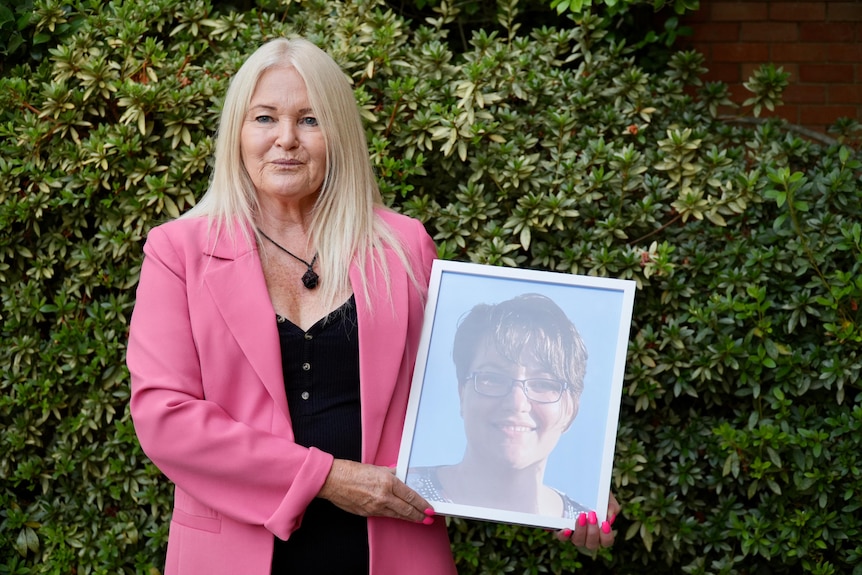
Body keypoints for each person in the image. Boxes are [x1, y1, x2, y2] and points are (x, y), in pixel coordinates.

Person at [127, 37, 616, 575]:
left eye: (310, 120)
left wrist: (571, 489)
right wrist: (331, 478)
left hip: (391, 547)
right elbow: (165, 418)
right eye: (264, 117)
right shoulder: (178, 252)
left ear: (338, 133)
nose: (286, 140)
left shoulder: (404, 247)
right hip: (232, 553)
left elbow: (478, 385)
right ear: (237, 134)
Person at [408, 293, 617, 529]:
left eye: (544, 384)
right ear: (461, 392)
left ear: (572, 410)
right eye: (492, 378)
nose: (517, 403)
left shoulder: (583, 521)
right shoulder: (403, 491)